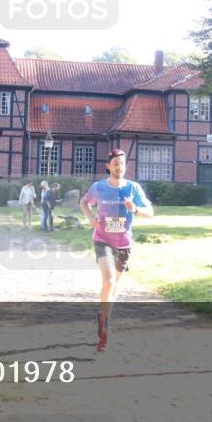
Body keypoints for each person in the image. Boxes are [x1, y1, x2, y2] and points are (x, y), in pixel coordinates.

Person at [80, 149, 154, 351]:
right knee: (109, 281)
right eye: (115, 163)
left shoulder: (133, 188)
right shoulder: (99, 187)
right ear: (108, 166)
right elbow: (84, 202)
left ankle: (103, 316)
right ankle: (105, 327)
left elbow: (150, 212)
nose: (119, 166)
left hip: (124, 243)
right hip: (102, 240)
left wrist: (135, 209)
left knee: (114, 286)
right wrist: (90, 218)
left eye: (122, 163)